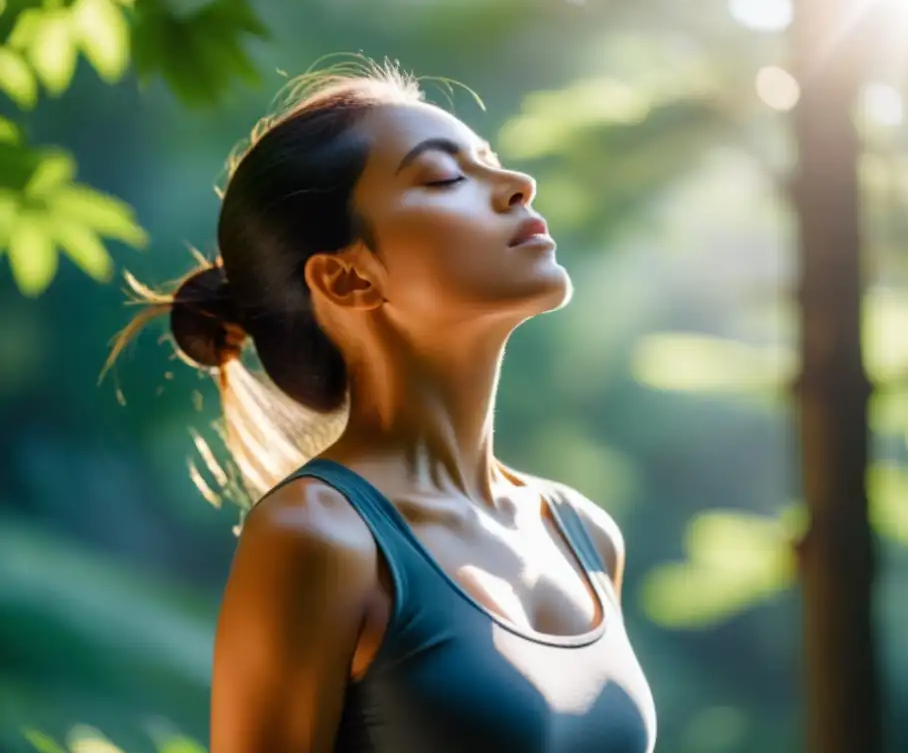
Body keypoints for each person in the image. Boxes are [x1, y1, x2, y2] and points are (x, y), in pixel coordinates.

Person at [111, 65, 656, 752]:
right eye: (443, 179)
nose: (518, 184)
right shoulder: (318, 537)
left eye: (489, 161)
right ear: (347, 276)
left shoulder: (584, 535)